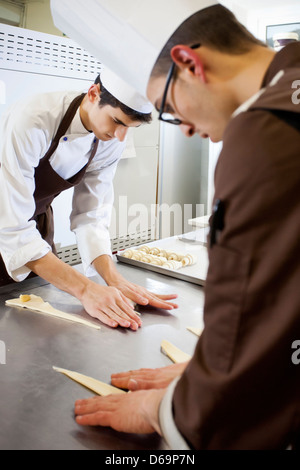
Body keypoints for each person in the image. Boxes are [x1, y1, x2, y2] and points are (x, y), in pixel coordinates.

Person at [51, 0, 300, 449]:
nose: (184, 128)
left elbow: (252, 321)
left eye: (169, 108)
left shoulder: (262, 137)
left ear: (188, 62)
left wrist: (165, 407)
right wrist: (218, 365)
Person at [0, 67, 178, 330]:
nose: (120, 137)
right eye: (117, 121)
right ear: (93, 94)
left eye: (131, 128)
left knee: (26, 315)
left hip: (34, 222)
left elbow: (90, 217)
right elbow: (12, 226)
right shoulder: (33, 119)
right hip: (6, 217)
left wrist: (113, 279)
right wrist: (85, 290)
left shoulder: (111, 141)